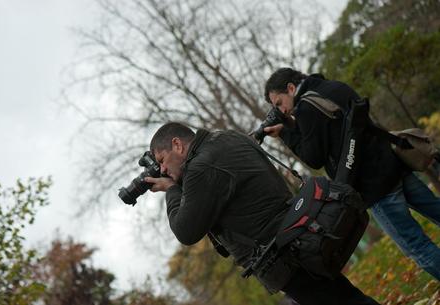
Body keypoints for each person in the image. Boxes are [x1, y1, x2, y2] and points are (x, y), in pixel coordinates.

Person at [144, 122, 380, 305]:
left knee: (344, 301)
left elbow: (186, 231)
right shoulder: (225, 137)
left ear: (177, 144)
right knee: (345, 297)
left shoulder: (201, 168)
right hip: (297, 234)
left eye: (162, 160)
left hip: (280, 254)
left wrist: (172, 189)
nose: (163, 169)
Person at [263, 67, 440, 280]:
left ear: (291, 88)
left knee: (416, 245)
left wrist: (286, 133)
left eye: (279, 103)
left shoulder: (306, 110)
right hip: (394, 167)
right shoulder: (332, 86)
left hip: (374, 189)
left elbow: (314, 158)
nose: (281, 110)